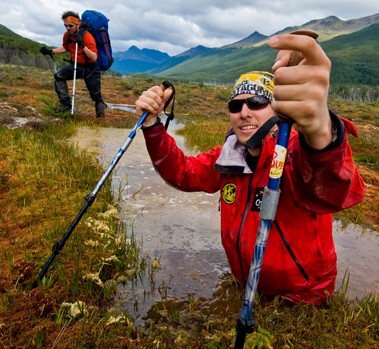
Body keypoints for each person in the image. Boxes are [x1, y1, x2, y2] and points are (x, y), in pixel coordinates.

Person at [134, 33, 366, 304]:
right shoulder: (229, 156)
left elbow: (332, 189)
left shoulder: (294, 153)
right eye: (236, 105)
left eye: (256, 103)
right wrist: (151, 125)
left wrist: (320, 133)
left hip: (301, 299)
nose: (244, 112)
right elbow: (182, 173)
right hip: (245, 286)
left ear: (278, 110)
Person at [40, 11, 106, 118]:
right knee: (59, 75)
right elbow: (66, 48)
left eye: (70, 25)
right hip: (77, 66)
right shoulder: (67, 35)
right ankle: (65, 105)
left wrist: (82, 45)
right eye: (65, 25)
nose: (67, 28)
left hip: (91, 68)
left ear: (78, 24)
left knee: (96, 96)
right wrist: (50, 51)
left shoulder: (87, 36)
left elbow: (94, 57)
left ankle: (101, 117)